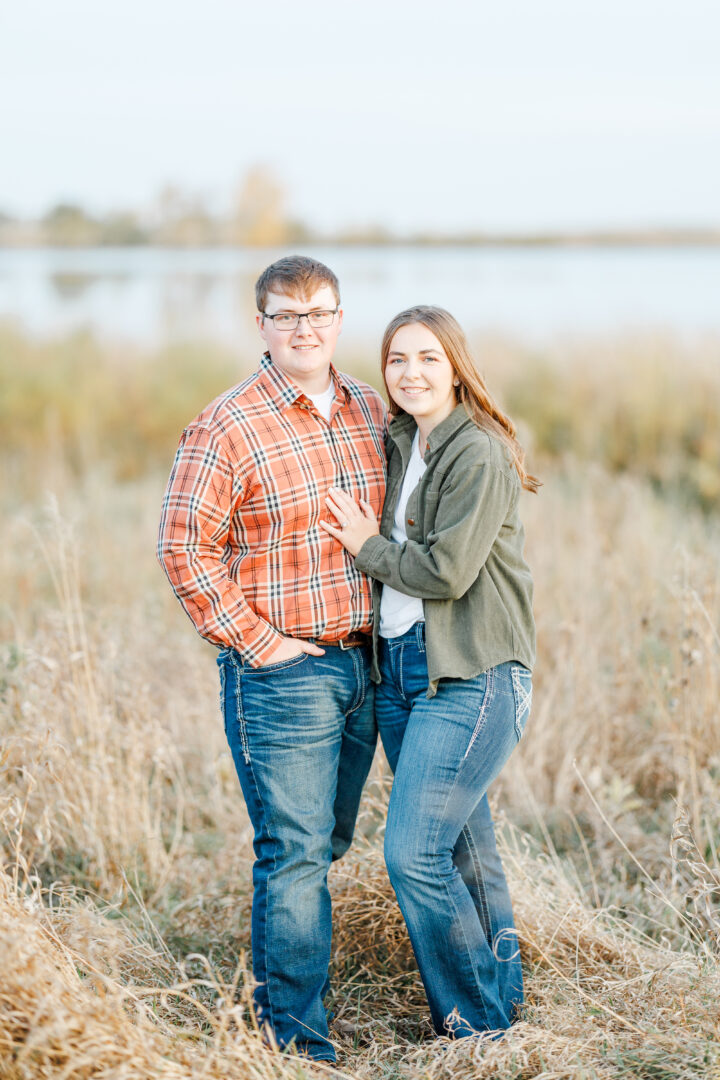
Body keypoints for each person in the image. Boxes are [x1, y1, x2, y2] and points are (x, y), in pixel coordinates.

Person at [157, 255, 386, 1063]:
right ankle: (294, 1039)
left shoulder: (369, 406)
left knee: (326, 844)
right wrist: (264, 646)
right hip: (284, 676)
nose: (304, 328)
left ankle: (291, 988)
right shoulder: (228, 422)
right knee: (292, 853)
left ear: (339, 318)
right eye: (286, 315)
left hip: (370, 666)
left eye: (318, 312)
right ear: (262, 326)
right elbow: (185, 547)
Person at [320, 305, 538, 1039]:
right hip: (401, 675)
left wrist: (365, 543)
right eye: (396, 360)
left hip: (471, 676)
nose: (410, 374)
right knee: (463, 850)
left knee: (413, 853)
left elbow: (444, 572)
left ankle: (475, 1028)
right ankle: (503, 1006)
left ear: (455, 366)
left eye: (427, 359)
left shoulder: (477, 451)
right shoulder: (400, 440)